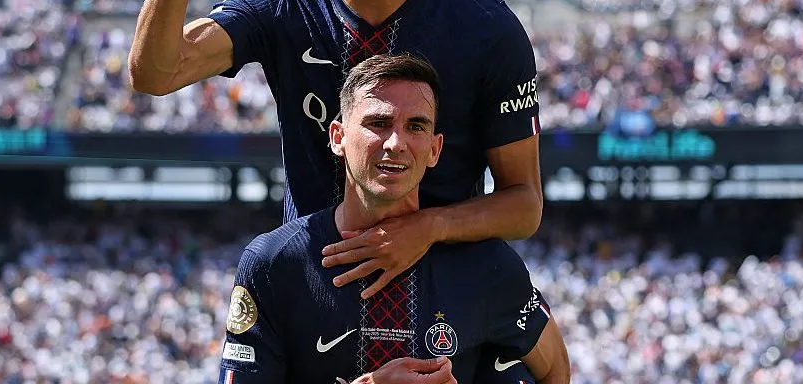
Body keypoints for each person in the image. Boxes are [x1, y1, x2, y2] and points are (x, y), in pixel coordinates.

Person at [128, 0, 543, 301]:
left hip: (443, 304)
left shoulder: (486, 25)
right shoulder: (284, 2)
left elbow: (524, 204)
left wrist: (429, 227)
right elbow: (155, 72)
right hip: (312, 295)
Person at [218, 54, 569, 384]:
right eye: (378, 123)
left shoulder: (488, 266)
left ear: (435, 149)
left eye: (416, 126)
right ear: (338, 137)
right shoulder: (274, 264)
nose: (396, 143)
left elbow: (555, 369)